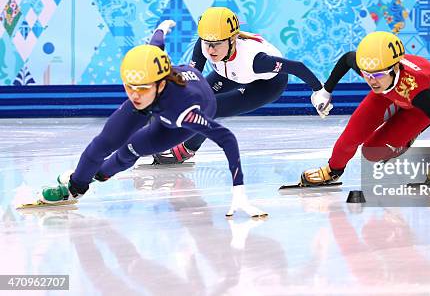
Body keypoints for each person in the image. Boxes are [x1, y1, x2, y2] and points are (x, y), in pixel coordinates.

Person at [38, 43, 266, 217]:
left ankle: (100, 175)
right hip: (159, 98)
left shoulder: (184, 111)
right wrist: (161, 29)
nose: (135, 95)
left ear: (161, 84)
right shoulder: (145, 83)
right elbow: (157, 44)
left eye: (142, 88)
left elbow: (226, 138)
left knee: (129, 150)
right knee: (103, 142)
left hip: (173, 125)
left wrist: (239, 189)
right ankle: (76, 186)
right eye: (130, 87)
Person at [152, 7, 331, 164]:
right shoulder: (204, 43)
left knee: (213, 108)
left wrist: (319, 90)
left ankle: (187, 150)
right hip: (229, 73)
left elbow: (297, 67)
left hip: (267, 85)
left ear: (232, 40)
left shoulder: (256, 61)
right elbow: (192, 79)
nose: (210, 50)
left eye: (216, 44)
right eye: (207, 44)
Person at [300, 31, 430, 186]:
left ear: (396, 68)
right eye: (367, 74)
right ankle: (332, 171)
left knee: (371, 152)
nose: (372, 81)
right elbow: (348, 58)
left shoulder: (419, 94)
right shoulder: (375, 70)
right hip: (389, 93)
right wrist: (326, 91)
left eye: (378, 75)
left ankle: (407, 139)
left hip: (419, 106)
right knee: (350, 137)